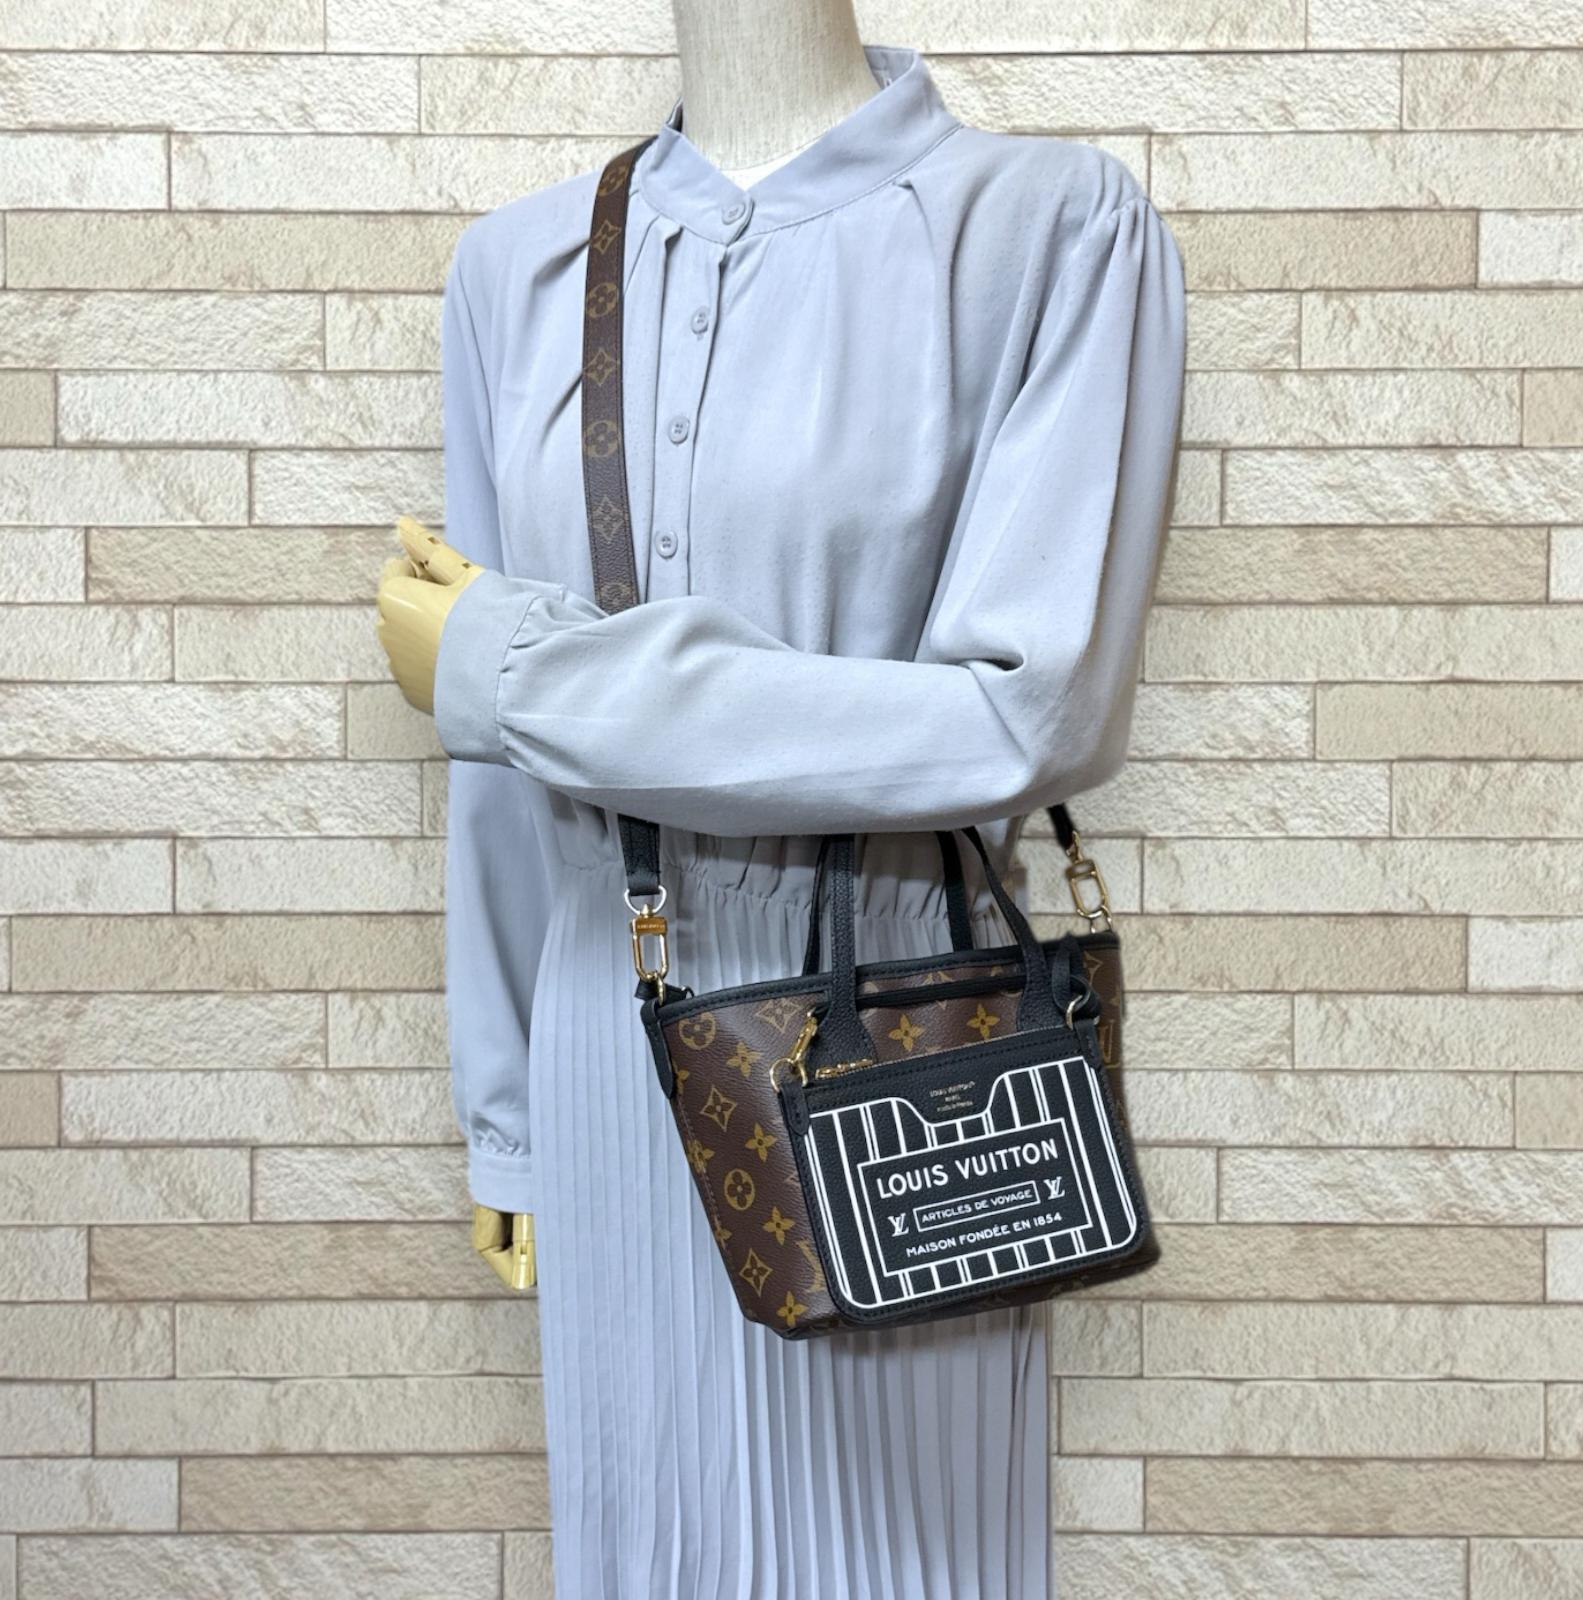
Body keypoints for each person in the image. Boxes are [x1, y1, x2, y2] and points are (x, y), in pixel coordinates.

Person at [377, 40, 1185, 1600]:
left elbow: (1028, 717)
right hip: (609, 1033)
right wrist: (511, 1112)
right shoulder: (519, 273)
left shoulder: (1048, 226)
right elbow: (499, 769)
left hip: (908, 1042)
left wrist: (520, 670)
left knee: (907, 1560)